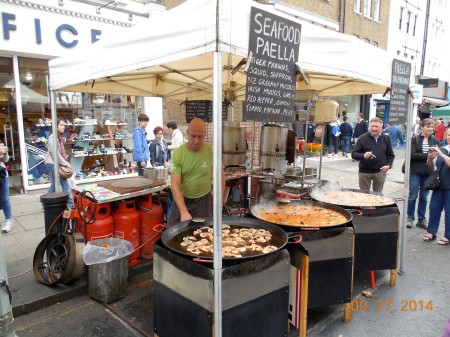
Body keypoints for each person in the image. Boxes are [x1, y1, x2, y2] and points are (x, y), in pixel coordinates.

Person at [167, 118, 225, 227]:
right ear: (187, 133)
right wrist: (183, 211)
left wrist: (219, 200)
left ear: (205, 135)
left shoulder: (211, 151)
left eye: (200, 137)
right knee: (172, 231)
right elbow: (175, 185)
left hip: (203, 200)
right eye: (193, 136)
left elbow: (220, 176)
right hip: (182, 199)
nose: (197, 140)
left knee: (203, 233)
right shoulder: (178, 154)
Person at [406, 118, 441, 229]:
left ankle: (421, 219)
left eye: (432, 126)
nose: (430, 129)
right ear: (422, 127)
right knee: (413, 195)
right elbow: (411, 155)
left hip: (428, 172)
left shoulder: (435, 141)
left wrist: (434, 156)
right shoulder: (414, 139)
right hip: (415, 171)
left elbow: (436, 156)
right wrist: (427, 155)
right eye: (428, 126)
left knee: (424, 197)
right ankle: (410, 218)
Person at [351, 117, 395, 194]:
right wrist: (363, 156)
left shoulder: (386, 138)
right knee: (364, 196)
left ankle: (376, 206)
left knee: (377, 195)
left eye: (376, 126)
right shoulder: (362, 138)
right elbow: (353, 154)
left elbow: (391, 155)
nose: (374, 129)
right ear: (369, 126)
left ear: (381, 127)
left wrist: (389, 165)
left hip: (380, 172)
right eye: (372, 126)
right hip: (364, 172)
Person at [422, 132, 450, 245]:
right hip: (439, 185)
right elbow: (431, 165)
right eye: (448, 135)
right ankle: (431, 232)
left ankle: (448, 235)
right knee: (434, 208)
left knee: (449, 211)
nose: (449, 138)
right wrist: (430, 158)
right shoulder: (443, 148)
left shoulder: (442, 152)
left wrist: (442, 155)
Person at [45, 119, 74, 209]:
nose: (63, 127)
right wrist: (66, 164)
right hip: (53, 163)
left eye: (64, 125)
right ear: (55, 126)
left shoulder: (57, 137)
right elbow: (56, 155)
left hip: (54, 163)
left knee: (54, 183)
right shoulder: (52, 138)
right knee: (65, 185)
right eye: (61, 125)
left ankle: (46, 203)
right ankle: (70, 206)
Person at [0, 143, 12, 233]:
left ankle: (8, 221)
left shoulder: (0, 145)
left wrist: (4, 153)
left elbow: (6, 160)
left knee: (5, 199)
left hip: (2, 175)